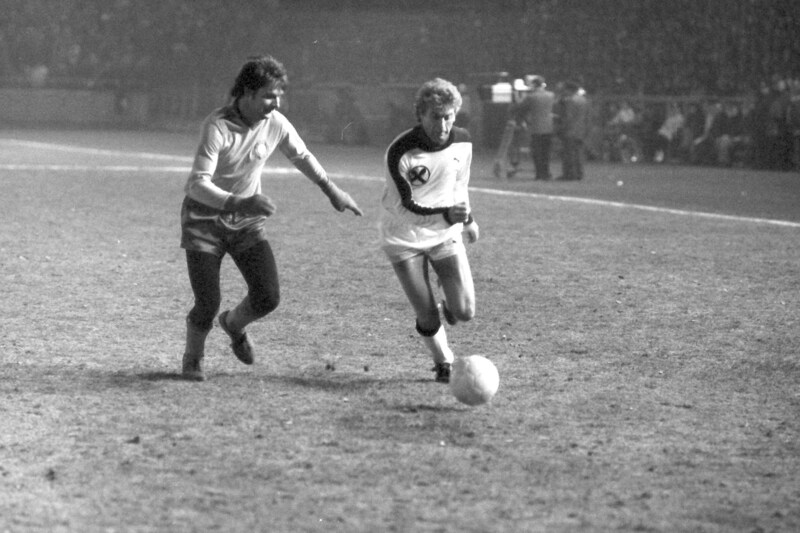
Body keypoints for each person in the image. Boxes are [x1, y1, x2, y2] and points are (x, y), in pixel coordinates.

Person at [179, 55, 363, 381]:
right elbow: (197, 184)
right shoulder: (217, 126)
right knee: (207, 302)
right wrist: (239, 201)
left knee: (268, 296)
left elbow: (301, 154)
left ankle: (233, 324)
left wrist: (332, 191)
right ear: (246, 92)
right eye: (268, 95)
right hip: (204, 221)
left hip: (245, 222)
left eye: (279, 95)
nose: (276, 103)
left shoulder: (275, 122)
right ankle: (193, 358)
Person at [378, 78, 479, 383]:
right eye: (436, 117)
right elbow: (404, 204)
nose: (444, 124)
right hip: (403, 235)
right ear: (420, 115)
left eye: (449, 116)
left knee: (464, 312)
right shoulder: (400, 151)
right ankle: (443, 361)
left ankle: (448, 304)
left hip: (444, 232)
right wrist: (447, 214)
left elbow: (459, 185)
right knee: (427, 315)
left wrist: (469, 218)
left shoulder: (462, 142)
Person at [513, 75, 556, 180]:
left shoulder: (531, 97)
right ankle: (546, 173)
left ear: (534, 85)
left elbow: (521, 108)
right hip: (549, 126)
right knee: (546, 152)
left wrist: (517, 98)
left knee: (537, 152)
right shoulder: (551, 95)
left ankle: (539, 174)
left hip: (536, 127)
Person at [556, 81, 590, 180]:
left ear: (569, 90)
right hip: (581, 130)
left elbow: (568, 117)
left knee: (568, 154)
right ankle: (579, 173)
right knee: (579, 153)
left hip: (570, 131)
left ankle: (569, 174)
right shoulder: (584, 100)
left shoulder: (570, 101)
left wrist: (562, 127)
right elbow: (587, 116)